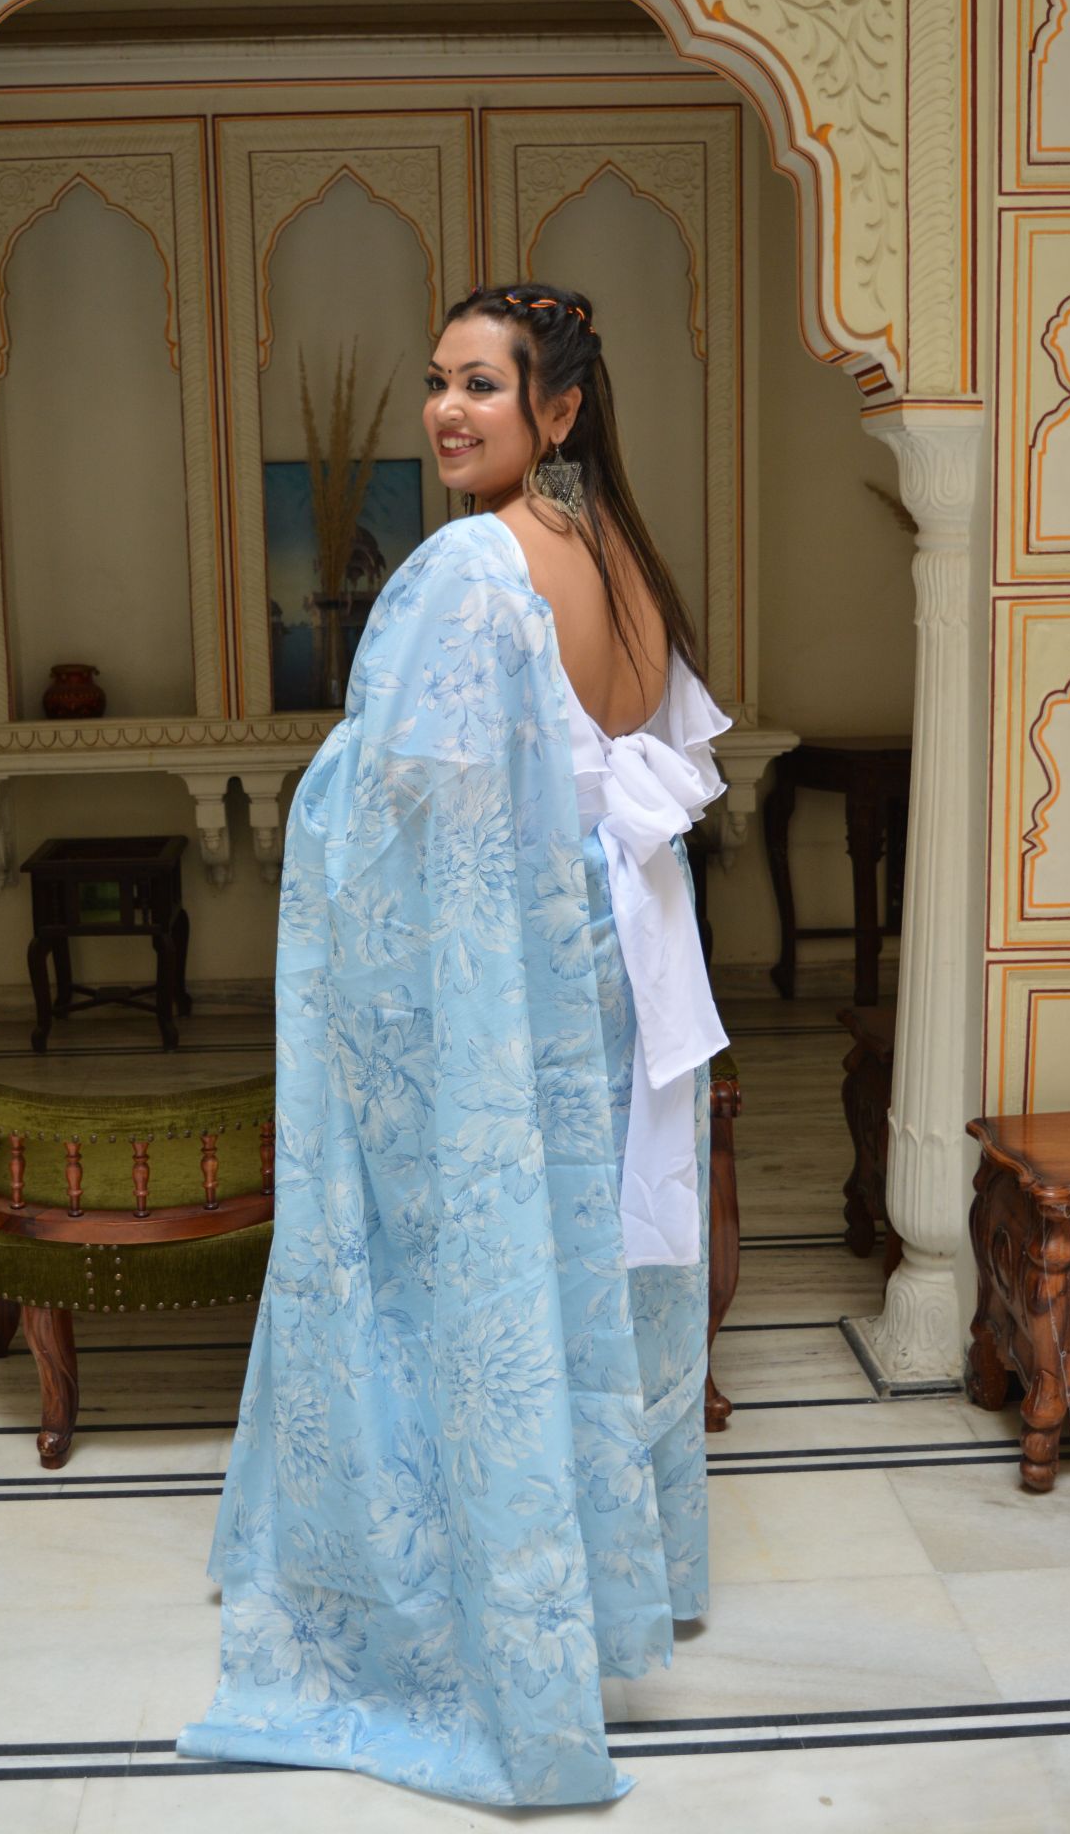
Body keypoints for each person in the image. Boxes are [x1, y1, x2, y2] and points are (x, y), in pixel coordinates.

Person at [177, 281, 732, 1806]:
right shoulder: (618, 553)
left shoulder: (467, 568)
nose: (446, 411)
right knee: (569, 1283)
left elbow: (395, 815)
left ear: (557, 408)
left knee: (450, 1289)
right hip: (600, 991)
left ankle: (464, 1615)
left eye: (483, 386)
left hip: (496, 1012)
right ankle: (596, 1586)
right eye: (437, 382)